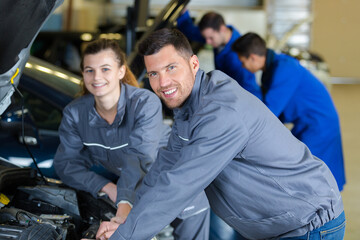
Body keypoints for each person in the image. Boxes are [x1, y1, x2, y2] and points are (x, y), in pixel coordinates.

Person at [95, 28, 345, 240]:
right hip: (277, 223)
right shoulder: (189, 106)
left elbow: (179, 185)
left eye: (171, 68)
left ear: (194, 64)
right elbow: (164, 170)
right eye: (153, 74)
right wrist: (125, 219)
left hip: (308, 224)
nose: (163, 83)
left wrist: (123, 237)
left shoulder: (219, 113)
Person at [53, 38, 210, 239]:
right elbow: (66, 164)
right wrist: (107, 187)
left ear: (121, 71)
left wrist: (124, 204)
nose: (96, 77)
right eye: (89, 70)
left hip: (181, 192)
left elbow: (138, 158)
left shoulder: (144, 103)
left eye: (105, 69)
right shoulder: (75, 113)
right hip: (135, 194)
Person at [232, 32, 346, 191]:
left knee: (312, 173)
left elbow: (269, 111)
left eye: (243, 62)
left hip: (319, 124)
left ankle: (326, 211)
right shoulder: (271, 69)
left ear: (253, 57)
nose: (243, 67)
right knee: (304, 169)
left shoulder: (284, 69)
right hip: (306, 121)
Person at [177, 10, 262, 99]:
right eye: (205, 38)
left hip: (245, 97)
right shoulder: (217, 36)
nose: (207, 42)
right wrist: (183, 13)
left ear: (222, 29)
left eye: (210, 38)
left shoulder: (238, 58)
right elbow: (191, 31)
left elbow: (246, 90)